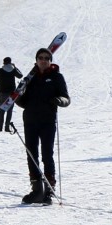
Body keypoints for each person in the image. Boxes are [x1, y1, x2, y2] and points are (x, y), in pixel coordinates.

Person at [16, 48, 70, 204]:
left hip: (48, 120)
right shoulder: (29, 78)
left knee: (47, 155)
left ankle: (48, 191)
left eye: (47, 58)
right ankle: (37, 190)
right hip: (30, 120)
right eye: (41, 58)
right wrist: (18, 96)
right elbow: (24, 102)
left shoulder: (56, 77)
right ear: (36, 60)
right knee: (31, 155)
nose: (44, 60)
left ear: (50, 61)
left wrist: (59, 101)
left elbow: (66, 98)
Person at [0, 57, 24, 132]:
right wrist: (15, 67)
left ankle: (0, 127)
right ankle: (7, 127)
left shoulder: (0, 70)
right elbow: (20, 75)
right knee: (9, 110)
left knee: (2, 110)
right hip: (12, 93)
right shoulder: (13, 70)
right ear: (10, 62)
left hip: (2, 92)